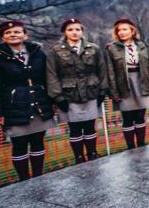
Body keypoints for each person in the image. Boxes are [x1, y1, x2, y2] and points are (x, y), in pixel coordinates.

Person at [0, 20, 56, 181]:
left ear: (25, 35)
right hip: (13, 105)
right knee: (19, 144)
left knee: (38, 140)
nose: (13, 35)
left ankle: (38, 177)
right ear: (3, 38)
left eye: (17, 32)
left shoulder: (38, 53)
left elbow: (47, 79)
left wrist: (52, 100)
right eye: (8, 33)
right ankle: (23, 181)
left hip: (38, 102)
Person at [46, 18, 108, 164]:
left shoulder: (93, 48)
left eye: (77, 29)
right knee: (74, 128)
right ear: (64, 33)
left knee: (89, 126)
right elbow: (51, 75)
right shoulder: (56, 51)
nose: (74, 32)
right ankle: (79, 157)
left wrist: (103, 91)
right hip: (69, 95)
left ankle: (92, 154)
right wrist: (58, 97)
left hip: (90, 91)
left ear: (82, 31)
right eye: (70, 30)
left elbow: (102, 70)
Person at [105, 19, 149, 149]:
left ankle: (142, 143)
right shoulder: (112, 48)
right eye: (119, 30)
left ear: (132, 31)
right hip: (124, 84)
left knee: (140, 116)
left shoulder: (143, 46)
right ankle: (131, 146)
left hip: (141, 82)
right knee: (127, 117)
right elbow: (110, 72)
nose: (121, 32)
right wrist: (114, 93)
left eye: (125, 29)